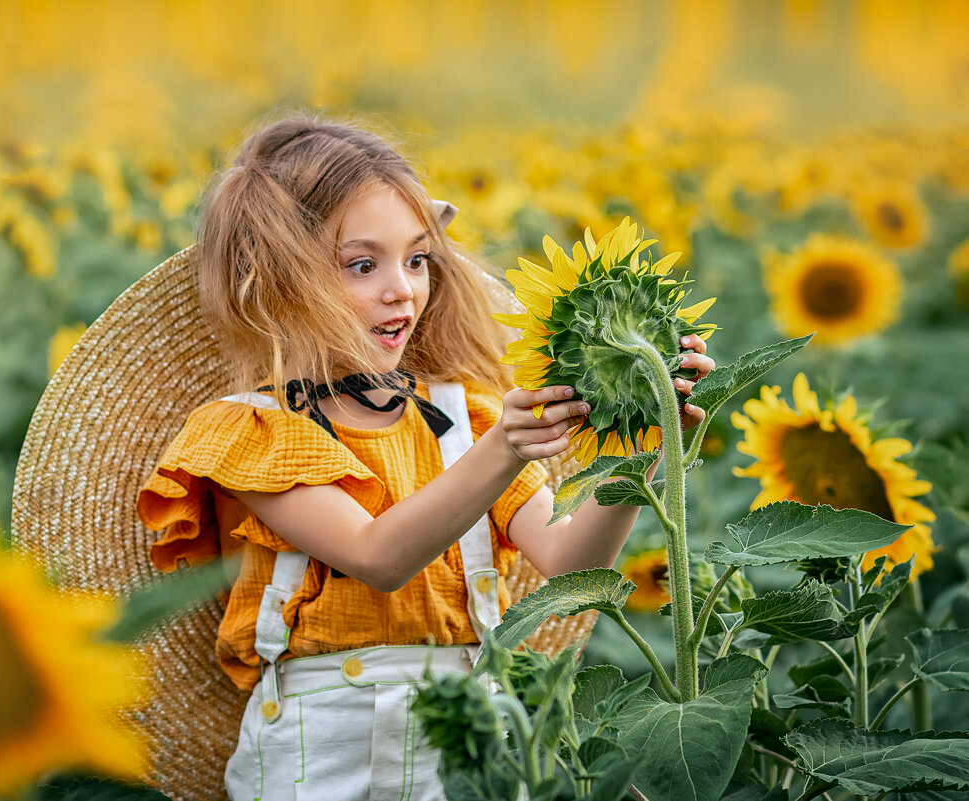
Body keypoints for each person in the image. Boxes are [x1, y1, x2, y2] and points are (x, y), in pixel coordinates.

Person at [135, 114, 714, 801]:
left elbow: (567, 563)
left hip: (471, 735)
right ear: (280, 282)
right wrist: (503, 449)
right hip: (317, 751)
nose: (401, 288)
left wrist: (644, 447)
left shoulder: (462, 420)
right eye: (361, 264)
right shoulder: (255, 432)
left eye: (416, 259)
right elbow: (378, 555)